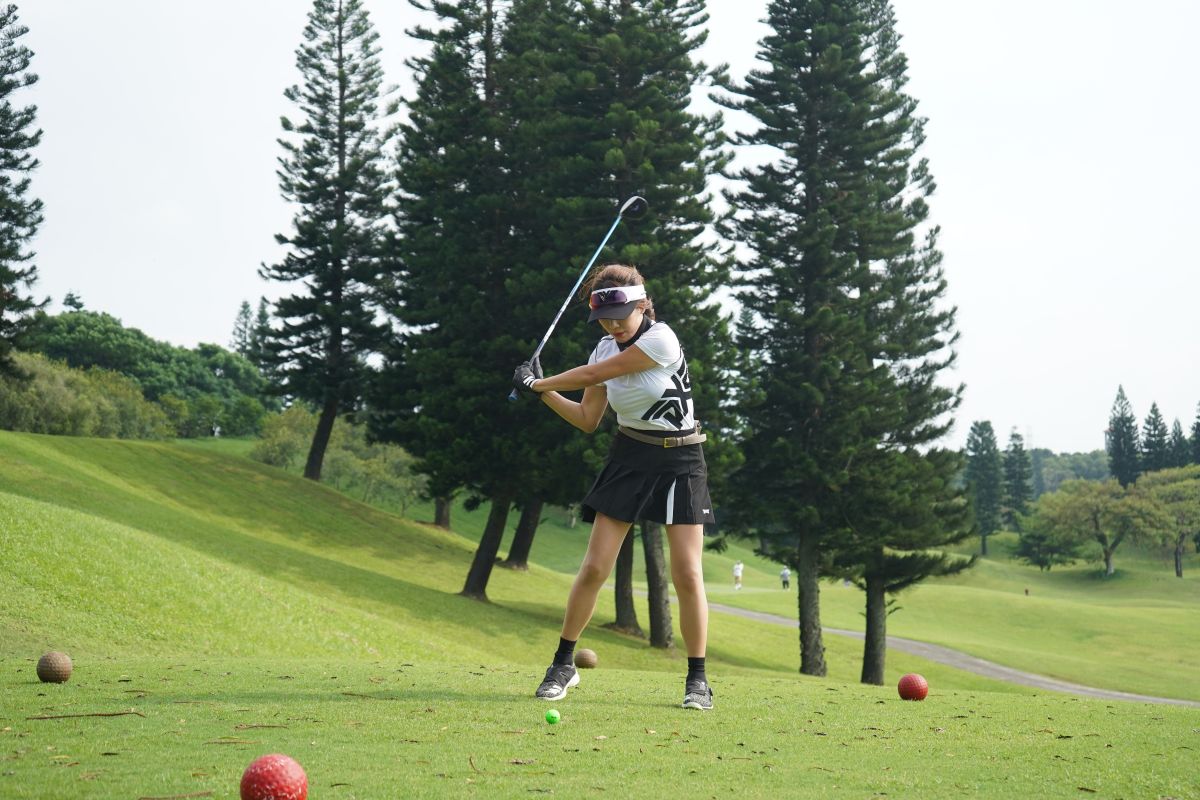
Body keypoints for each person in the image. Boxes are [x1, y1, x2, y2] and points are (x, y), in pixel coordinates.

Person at [512, 264, 715, 711]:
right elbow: (587, 419)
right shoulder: (603, 348)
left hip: (681, 458)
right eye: (605, 318)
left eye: (621, 314)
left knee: (686, 572)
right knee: (594, 568)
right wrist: (541, 394)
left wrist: (538, 381)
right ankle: (563, 665)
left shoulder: (661, 339)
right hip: (630, 457)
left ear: (643, 305)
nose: (613, 325)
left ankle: (697, 679)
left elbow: (592, 376)